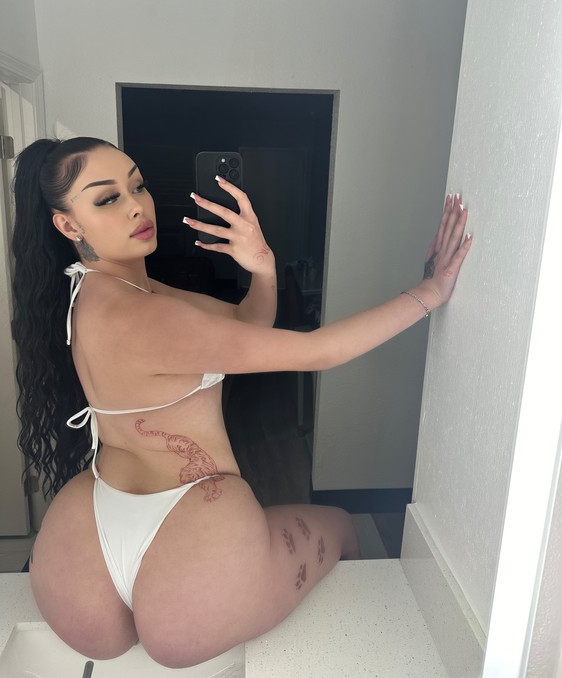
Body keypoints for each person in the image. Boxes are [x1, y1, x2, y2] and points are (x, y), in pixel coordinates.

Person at [11, 137, 471, 669]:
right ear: (68, 225)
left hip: (86, 533)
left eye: (137, 185)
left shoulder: (98, 292)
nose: (137, 205)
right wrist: (431, 291)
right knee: (343, 524)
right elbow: (319, 352)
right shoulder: (148, 316)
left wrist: (263, 268)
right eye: (107, 198)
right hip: (190, 517)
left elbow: (247, 323)